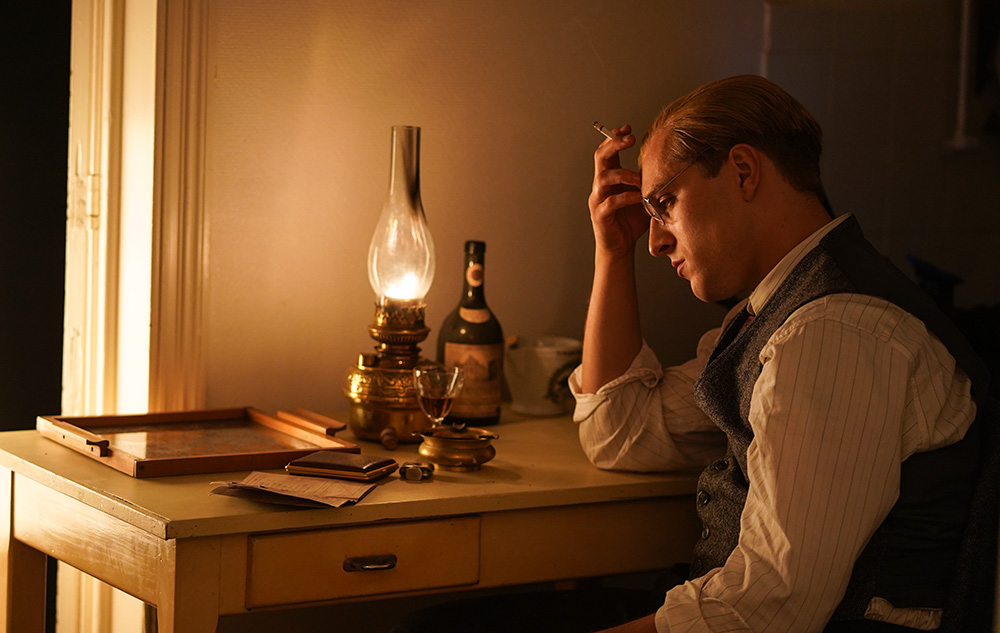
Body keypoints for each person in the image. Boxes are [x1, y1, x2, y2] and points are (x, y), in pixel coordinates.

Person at [571, 75, 991, 632]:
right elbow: (622, 433)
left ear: (743, 171)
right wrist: (612, 253)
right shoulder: (784, 316)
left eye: (664, 205)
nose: (656, 240)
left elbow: (771, 606)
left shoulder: (833, 334)